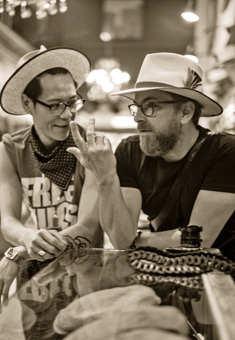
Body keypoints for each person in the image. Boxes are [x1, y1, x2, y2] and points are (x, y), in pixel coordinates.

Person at [68, 52, 235, 261]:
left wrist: (137, 240)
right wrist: (105, 177)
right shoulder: (130, 151)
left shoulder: (225, 151)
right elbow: (121, 240)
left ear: (185, 112)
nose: (137, 116)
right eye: (136, 106)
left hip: (221, 281)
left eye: (149, 106)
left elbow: (199, 239)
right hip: (163, 272)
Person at [0, 46, 103, 340]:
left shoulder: (92, 148)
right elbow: (6, 218)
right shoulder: (10, 148)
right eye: (55, 105)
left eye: (72, 102)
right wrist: (25, 239)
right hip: (36, 282)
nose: (67, 114)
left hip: (86, 279)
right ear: (28, 103)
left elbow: (86, 227)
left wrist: (21, 251)